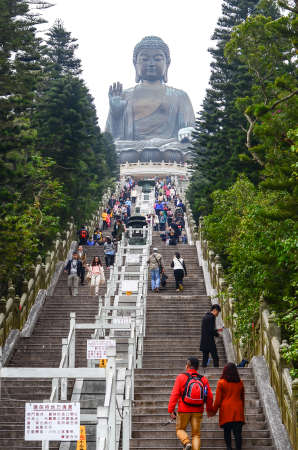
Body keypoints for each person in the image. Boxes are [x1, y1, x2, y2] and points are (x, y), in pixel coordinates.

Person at [168, 357, 213, 450]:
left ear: (187, 365)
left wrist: (171, 410)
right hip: (198, 410)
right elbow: (210, 396)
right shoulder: (203, 379)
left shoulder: (181, 377)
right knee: (196, 434)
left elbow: (174, 394)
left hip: (184, 410)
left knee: (180, 429)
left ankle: (186, 442)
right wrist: (209, 410)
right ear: (197, 367)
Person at [210, 363, 245, 450]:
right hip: (238, 410)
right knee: (238, 434)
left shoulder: (221, 383)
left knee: (227, 431)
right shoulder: (240, 383)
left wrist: (213, 411)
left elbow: (218, 400)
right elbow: (242, 398)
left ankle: (229, 448)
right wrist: (241, 410)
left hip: (226, 411)